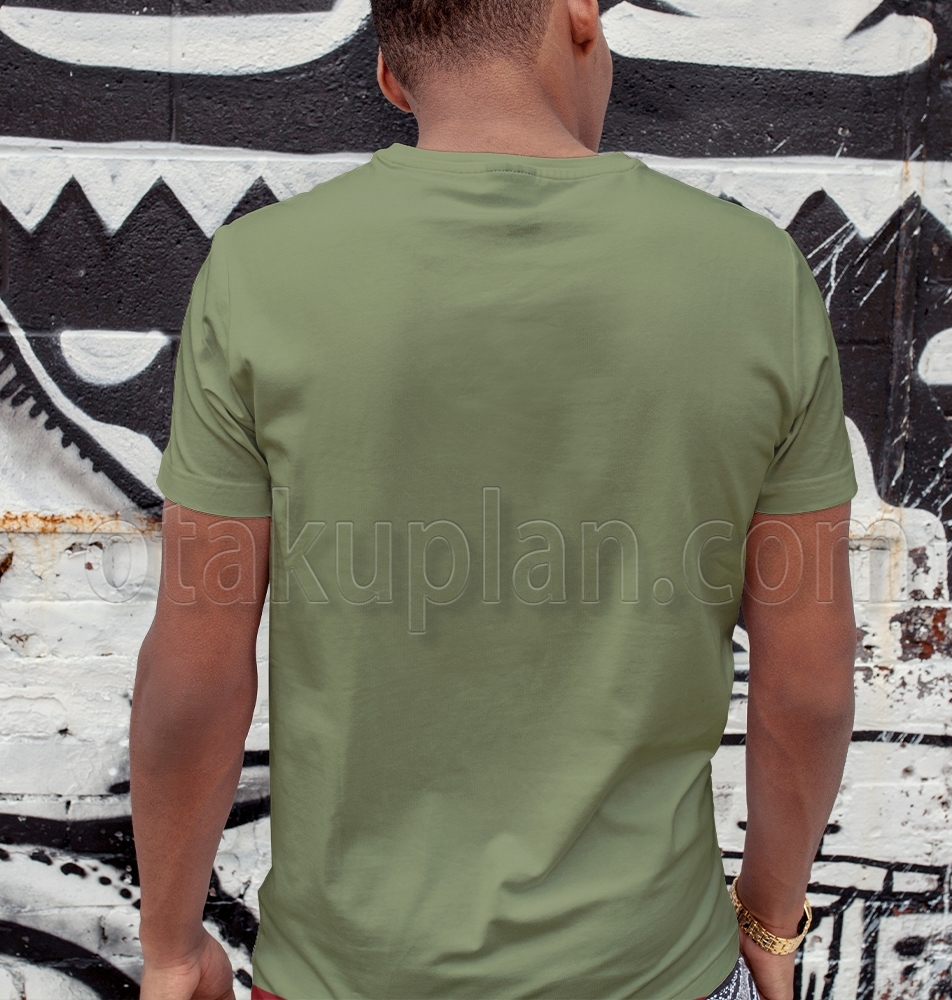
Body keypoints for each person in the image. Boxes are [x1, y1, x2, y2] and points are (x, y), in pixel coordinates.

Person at [130, 0, 859, 997]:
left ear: (393, 76)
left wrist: (172, 945)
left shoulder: (256, 275)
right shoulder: (755, 279)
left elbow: (194, 676)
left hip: (346, 975)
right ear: (578, 13)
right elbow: (807, 686)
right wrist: (771, 918)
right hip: (650, 969)